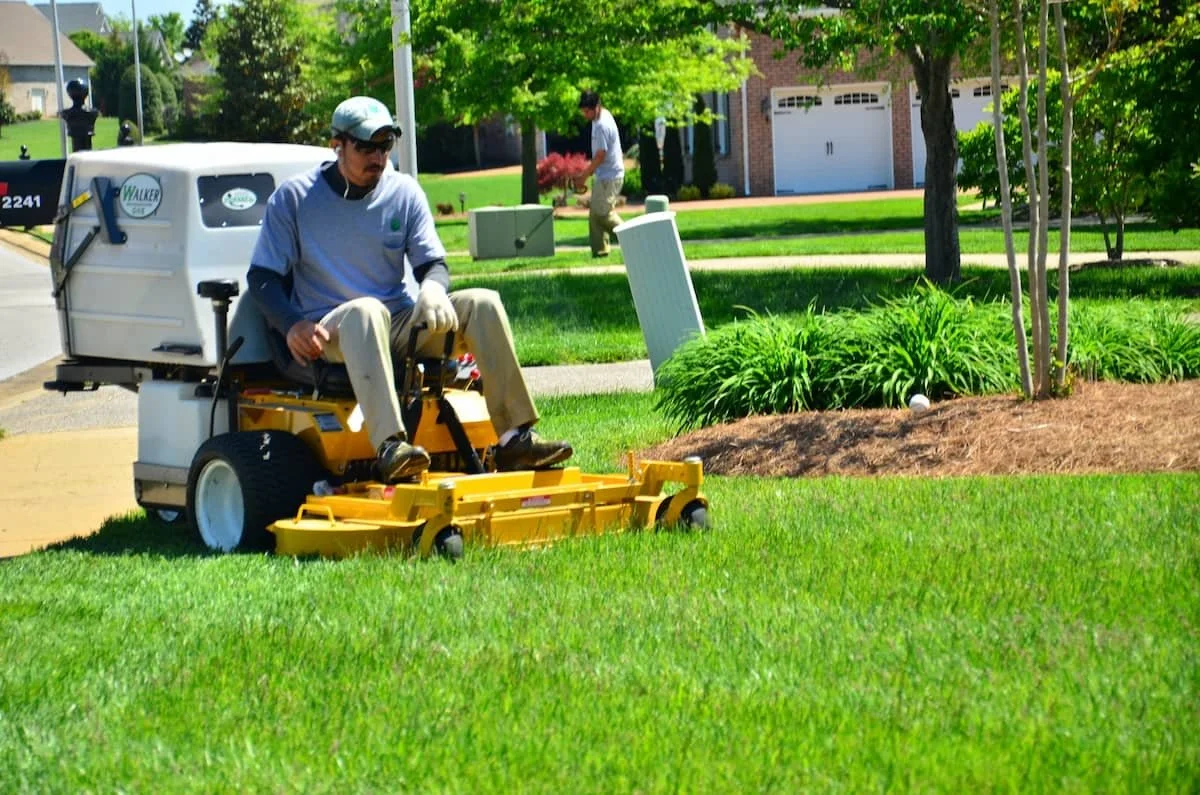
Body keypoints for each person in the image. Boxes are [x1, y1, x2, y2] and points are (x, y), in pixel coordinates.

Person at [247, 96, 573, 483]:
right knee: (367, 311)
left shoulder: (404, 192)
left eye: (384, 147)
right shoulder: (295, 198)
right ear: (338, 144)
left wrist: (433, 291)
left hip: (397, 322)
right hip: (332, 330)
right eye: (366, 147)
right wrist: (291, 325)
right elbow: (262, 278)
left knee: (483, 303)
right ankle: (390, 446)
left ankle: (514, 439)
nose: (378, 157)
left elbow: (432, 264)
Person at [577, 90, 624, 258]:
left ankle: (631, 239)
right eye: (583, 111)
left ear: (596, 107)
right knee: (595, 214)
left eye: (587, 111)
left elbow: (600, 155)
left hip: (609, 176)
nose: (585, 114)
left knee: (602, 214)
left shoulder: (602, 125)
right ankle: (600, 252)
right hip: (605, 175)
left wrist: (584, 175)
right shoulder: (602, 117)